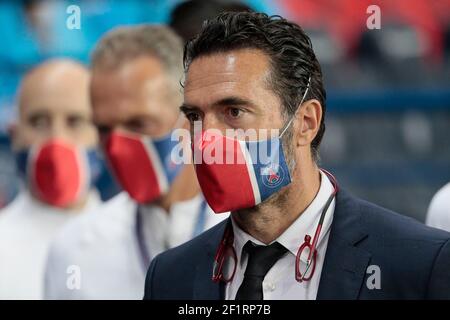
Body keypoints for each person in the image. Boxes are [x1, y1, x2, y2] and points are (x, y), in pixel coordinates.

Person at [144, 12, 450, 300]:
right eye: (195, 117)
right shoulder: (170, 277)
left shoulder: (419, 264)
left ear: (306, 123)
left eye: (234, 112)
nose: (205, 140)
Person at [44, 25, 226, 300]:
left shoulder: (254, 233)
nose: (117, 147)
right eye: (104, 129)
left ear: (191, 119)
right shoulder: (73, 249)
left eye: (137, 123)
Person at [0, 59, 102, 299]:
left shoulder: (135, 238)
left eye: (75, 121)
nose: (57, 138)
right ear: (15, 135)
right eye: (39, 122)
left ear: (100, 133)